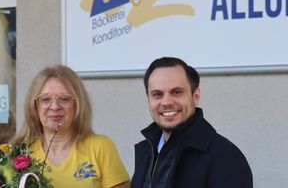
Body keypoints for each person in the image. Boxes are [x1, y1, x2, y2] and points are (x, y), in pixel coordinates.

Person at [131, 57, 253, 188]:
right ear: (149, 100)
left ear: (196, 97)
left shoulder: (225, 157)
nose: (166, 102)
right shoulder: (146, 151)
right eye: (157, 94)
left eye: (176, 92)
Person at [14, 65, 130, 188]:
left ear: (78, 104)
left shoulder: (100, 147)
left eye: (64, 99)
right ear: (34, 105)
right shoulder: (19, 152)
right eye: (46, 99)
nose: (54, 106)